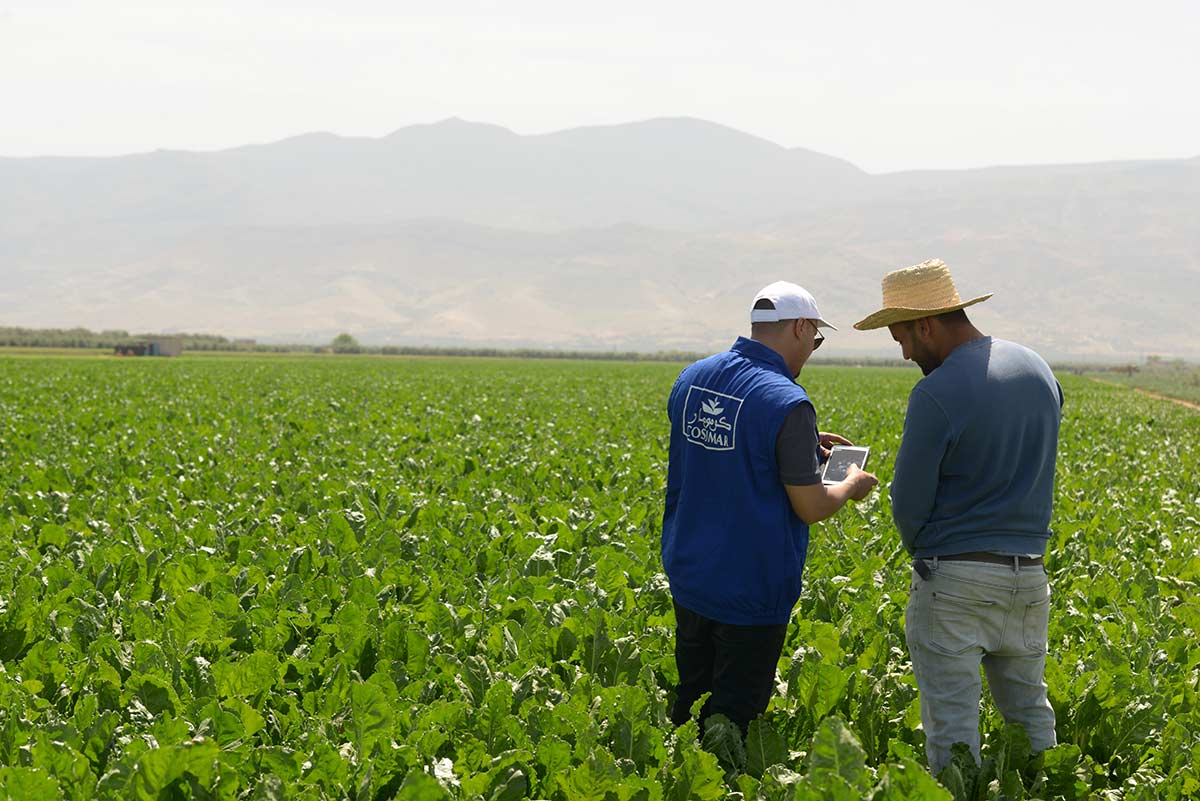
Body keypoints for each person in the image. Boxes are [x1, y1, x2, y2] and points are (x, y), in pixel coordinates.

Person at [853, 259, 1064, 774]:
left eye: (901, 336)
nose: (903, 352)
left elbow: (908, 502)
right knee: (1031, 715)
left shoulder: (936, 391)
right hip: (1030, 575)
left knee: (952, 731)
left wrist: (929, 554)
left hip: (956, 579)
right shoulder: (1039, 369)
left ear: (925, 325)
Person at [662, 280, 878, 736]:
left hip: (691, 574)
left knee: (689, 704)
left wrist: (801, 447)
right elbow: (811, 506)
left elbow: (726, 450)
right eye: (816, 338)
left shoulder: (692, 377)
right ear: (800, 327)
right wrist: (852, 483)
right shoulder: (786, 400)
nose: (813, 349)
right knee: (732, 726)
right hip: (750, 588)